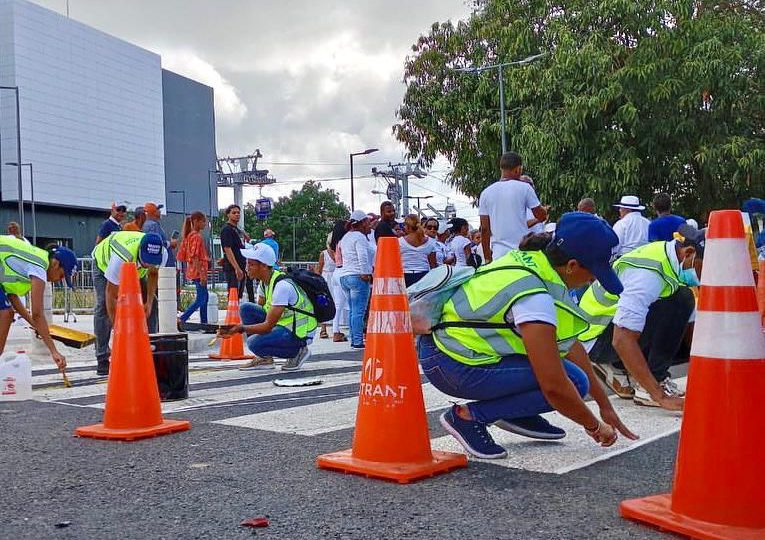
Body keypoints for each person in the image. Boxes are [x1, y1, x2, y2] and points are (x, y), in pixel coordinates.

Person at [421, 212, 636, 458]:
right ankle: (468, 417)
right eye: (594, 272)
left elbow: (569, 345)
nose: (593, 280)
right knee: (573, 381)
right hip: (452, 365)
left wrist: (604, 406)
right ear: (572, 265)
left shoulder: (533, 262)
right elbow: (554, 385)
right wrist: (595, 427)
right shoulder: (535, 295)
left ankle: (515, 412)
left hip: (445, 350)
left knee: (569, 375)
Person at [578, 224, 705, 410]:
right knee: (681, 299)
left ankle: (631, 369)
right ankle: (651, 385)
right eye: (706, 269)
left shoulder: (667, 257)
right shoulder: (648, 275)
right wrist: (659, 396)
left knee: (679, 304)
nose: (705, 276)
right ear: (689, 252)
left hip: (605, 327)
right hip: (596, 339)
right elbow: (622, 339)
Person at [220, 243, 316, 372]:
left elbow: (267, 326)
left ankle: (298, 351)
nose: (247, 268)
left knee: (254, 343)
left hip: (300, 334)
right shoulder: (265, 283)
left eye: (251, 264)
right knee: (246, 308)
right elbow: (259, 315)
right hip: (284, 325)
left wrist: (240, 328)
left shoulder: (282, 287)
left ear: (264, 266)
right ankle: (265, 359)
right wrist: (235, 327)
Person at [92, 231, 166, 375]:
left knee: (154, 303)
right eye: (147, 260)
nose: (149, 264)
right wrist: (118, 329)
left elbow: (153, 274)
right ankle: (102, 357)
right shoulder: (122, 257)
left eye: (153, 261)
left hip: (134, 271)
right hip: (103, 265)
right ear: (140, 251)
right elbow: (111, 295)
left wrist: (149, 302)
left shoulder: (161, 254)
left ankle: (149, 349)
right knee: (103, 307)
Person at [0, 237, 77, 370]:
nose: (59, 280)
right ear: (56, 264)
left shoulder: (35, 260)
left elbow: (13, 298)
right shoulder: (40, 266)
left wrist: (36, 326)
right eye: (62, 275)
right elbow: (37, 313)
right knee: (6, 314)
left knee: (7, 312)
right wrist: (54, 351)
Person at [479, 152, 548, 264]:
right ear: (518, 169)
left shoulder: (486, 193)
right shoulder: (525, 188)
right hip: (522, 253)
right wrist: (544, 211)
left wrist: (487, 258)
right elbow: (541, 216)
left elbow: (485, 229)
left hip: (499, 254)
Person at [338, 210, 373, 349]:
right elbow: (362, 256)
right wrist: (365, 273)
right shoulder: (359, 237)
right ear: (363, 222)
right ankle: (357, 341)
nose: (369, 225)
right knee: (359, 311)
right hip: (357, 276)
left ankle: (354, 338)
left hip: (345, 276)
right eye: (368, 222)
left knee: (353, 310)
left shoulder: (346, 237)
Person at [177, 211, 209, 326]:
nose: (205, 224)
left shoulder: (189, 236)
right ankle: (183, 318)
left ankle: (204, 323)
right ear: (196, 221)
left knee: (205, 298)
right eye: (203, 221)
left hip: (194, 271)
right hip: (198, 272)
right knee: (201, 299)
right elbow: (194, 256)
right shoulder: (196, 237)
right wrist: (202, 274)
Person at [399, 214, 436, 287]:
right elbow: (433, 264)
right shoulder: (431, 242)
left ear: (408, 227)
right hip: (424, 275)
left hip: (405, 275)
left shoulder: (400, 242)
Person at [220, 204, 247, 299]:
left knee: (239, 294)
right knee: (233, 292)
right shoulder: (227, 230)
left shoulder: (237, 229)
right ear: (228, 215)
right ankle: (232, 313)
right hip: (233, 268)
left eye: (238, 213)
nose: (237, 214)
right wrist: (237, 268)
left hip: (241, 264)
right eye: (234, 213)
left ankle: (236, 312)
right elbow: (227, 249)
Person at [328, 219, 349, 342]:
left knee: (338, 305)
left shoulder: (335, 244)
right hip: (345, 271)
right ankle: (355, 332)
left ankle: (335, 331)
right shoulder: (345, 242)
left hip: (337, 271)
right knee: (352, 304)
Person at [315, 234, 336, 339]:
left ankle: (325, 329)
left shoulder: (326, 253)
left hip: (328, 277)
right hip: (329, 277)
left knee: (327, 303)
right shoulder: (325, 253)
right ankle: (325, 329)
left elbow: (319, 269)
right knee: (329, 302)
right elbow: (320, 268)